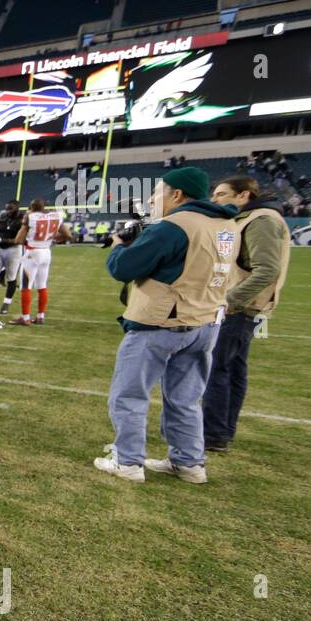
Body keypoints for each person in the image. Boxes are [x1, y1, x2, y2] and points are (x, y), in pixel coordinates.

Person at [95, 167, 240, 484]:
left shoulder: (175, 226)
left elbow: (124, 268)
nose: (151, 198)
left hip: (164, 321)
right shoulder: (228, 223)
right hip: (205, 322)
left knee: (129, 395)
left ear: (177, 195)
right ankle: (188, 462)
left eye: (157, 191)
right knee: (186, 398)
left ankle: (128, 461)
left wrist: (120, 245)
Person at [201, 177, 291, 452]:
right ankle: (222, 431)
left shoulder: (262, 219)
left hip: (239, 308)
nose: (215, 199)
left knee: (218, 368)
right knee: (232, 369)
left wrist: (228, 301)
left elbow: (266, 270)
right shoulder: (254, 217)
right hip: (243, 306)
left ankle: (213, 433)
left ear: (243, 195)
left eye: (221, 194)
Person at [10, 199, 73, 326]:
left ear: (32, 207)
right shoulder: (56, 215)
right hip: (46, 252)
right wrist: (52, 240)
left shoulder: (30, 217)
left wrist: (28, 239)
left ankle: (26, 317)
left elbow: (18, 239)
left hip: (32, 253)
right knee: (42, 285)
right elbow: (68, 236)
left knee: (26, 286)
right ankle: (40, 317)